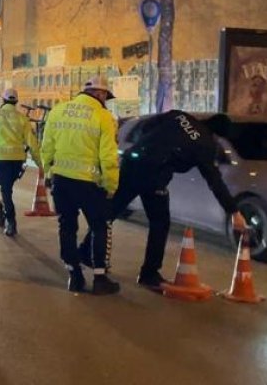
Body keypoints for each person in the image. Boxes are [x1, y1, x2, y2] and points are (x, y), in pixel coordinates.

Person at [83, 111, 248, 291]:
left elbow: (147, 126)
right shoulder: (205, 144)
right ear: (218, 133)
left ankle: (85, 251)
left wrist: (149, 146)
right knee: (160, 223)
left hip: (133, 162)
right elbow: (215, 181)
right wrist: (234, 212)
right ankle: (149, 274)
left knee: (111, 211)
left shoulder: (179, 116)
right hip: (153, 174)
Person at [41, 76, 121, 295]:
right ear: (100, 94)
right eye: (106, 96)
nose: (106, 100)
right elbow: (108, 155)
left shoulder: (58, 110)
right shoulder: (104, 116)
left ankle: (74, 275)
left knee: (67, 226)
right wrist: (111, 184)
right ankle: (99, 278)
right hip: (89, 183)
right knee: (100, 226)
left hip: (61, 179)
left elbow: (46, 145)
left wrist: (48, 172)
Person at [0, 88, 42, 237]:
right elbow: (32, 141)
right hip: (17, 160)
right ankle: (2, 214)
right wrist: (39, 161)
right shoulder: (22, 118)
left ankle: (11, 221)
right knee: (6, 188)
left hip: (2, 159)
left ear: (3, 100)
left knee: (5, 190)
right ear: (16, 101)